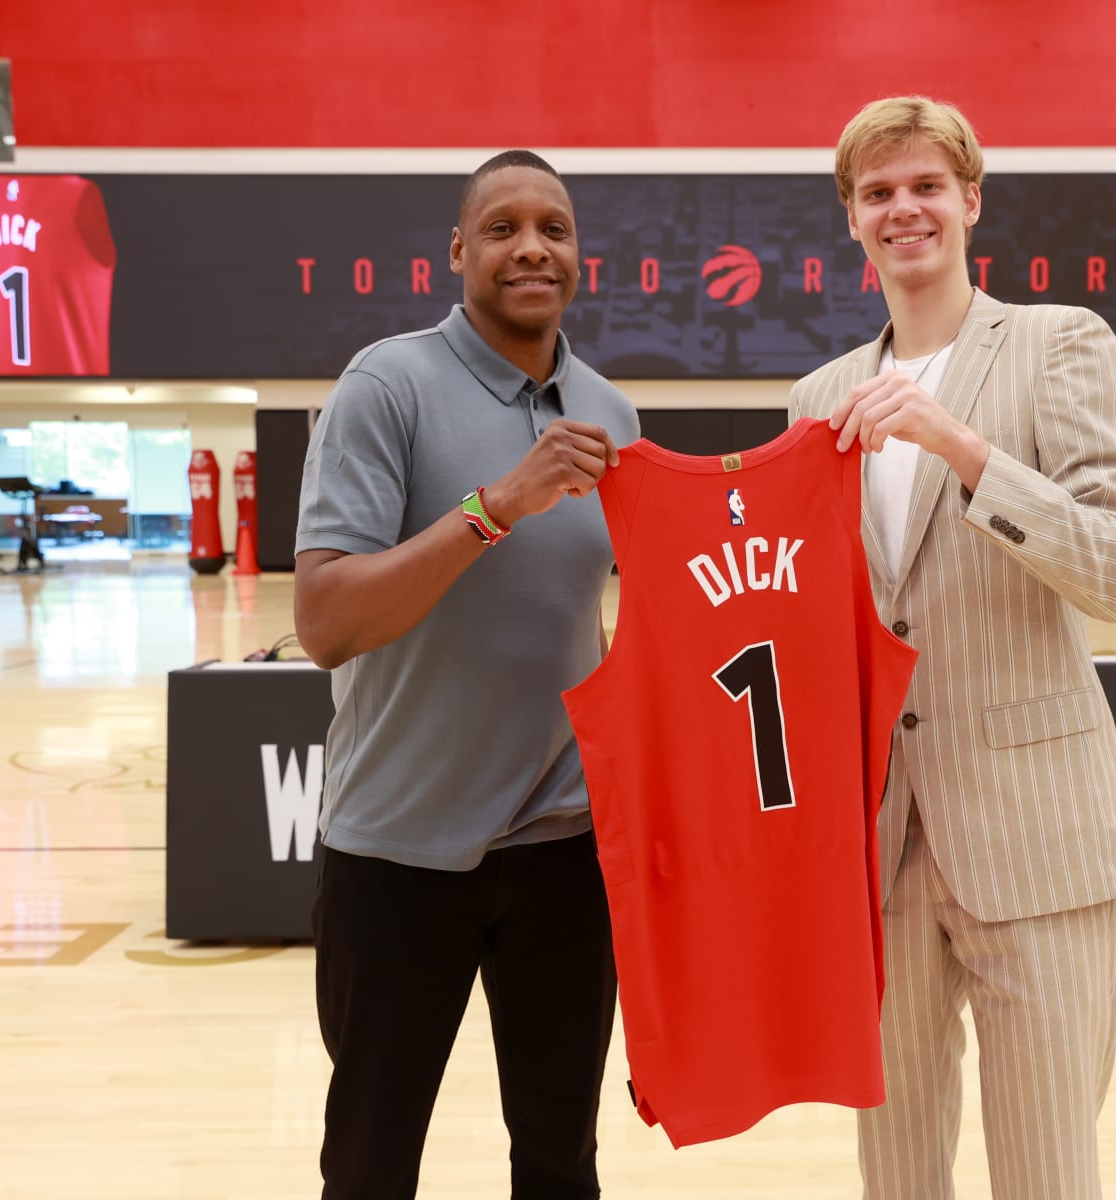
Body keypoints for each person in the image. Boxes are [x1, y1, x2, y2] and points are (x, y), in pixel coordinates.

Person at [787, 97, 1116, 1199]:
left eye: (926, 186)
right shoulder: (816, 401)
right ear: (852, 220)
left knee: (1046, 1171)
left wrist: (959, 445)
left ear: (970, 201)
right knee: (894, 1173)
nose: (906, 209)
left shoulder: (1062, 344)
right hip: (879, 846)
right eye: (879, 193)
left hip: (1035, 835)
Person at [292, 150, 637, 1200]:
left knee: (559, 1159)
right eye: (502, 227)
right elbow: (325, 621)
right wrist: (496, 506)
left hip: (564, 854)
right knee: (371, 1160)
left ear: (577, 255)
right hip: (399, 851)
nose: (532, 245)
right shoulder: (385, 385)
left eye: (555, 227)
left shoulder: (611, 414)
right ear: (459, 252)